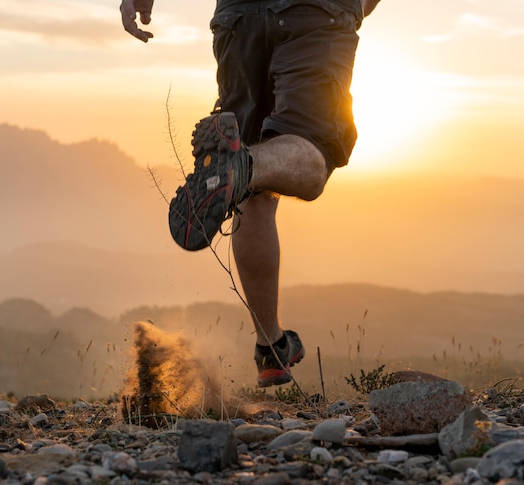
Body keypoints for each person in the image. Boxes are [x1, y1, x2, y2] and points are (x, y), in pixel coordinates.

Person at [120, 0, 381, 387]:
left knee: (253, 189)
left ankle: (271, 347)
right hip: (316, 11)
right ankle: (240, 166)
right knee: (313, 153)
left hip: (237, 17)